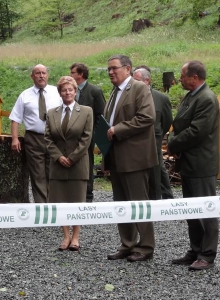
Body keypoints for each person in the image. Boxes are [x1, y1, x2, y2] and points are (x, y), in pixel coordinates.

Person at [104, 54, 157, 262]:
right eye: (108, 69)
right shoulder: (114, 92)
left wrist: (118, 129)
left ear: (127, 69)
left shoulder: (139, 88)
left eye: (114, 68)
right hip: (116, 156)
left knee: (138, 203)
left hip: (135, 157)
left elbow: (147, 117)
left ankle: (145, 246)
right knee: (121, 203)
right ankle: (127, 243)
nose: (110, 72)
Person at [167, 60, 219, 270]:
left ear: (194, 77)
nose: (180, 79)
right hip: (188, 163)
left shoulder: (206, 98)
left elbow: (197, 131)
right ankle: (195, 249)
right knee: (191, 209)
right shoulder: (191, 96)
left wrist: (172, 143)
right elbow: (181, 123)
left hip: (201, 164)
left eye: (183, 75)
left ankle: (207, 255)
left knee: (206, 210)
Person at [44, 76, 93, 251]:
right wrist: (58, 157)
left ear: (75, 91)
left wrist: (72, 157)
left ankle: (76, 237)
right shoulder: (51, 113)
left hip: (78, 164)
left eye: (70, 89)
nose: (67, 92)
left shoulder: (86, 111)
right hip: (57, 165)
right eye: (64, 90)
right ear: (60, 93)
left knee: (77, 201)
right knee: (61, 202)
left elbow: (86, 138)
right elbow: (48, 138)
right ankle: (65, 236)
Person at [9, 64, 62, 203]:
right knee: (37, 174)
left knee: (53, 171)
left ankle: (53, 203)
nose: (41, 76)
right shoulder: (25, 95)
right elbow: (15, 118)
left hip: (54, 137)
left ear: (47, 75)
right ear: (32, 76)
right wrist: (15, 139)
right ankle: (41, 206)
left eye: (43, 73)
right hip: (33, 138)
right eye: (37, 73)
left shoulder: (57, 92)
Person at [133, 67, 173, 200]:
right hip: (135, 144)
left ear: (147, 81)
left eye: (137, 81)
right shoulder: (131, 96)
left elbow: (167, 121)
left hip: (153, 143)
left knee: (156, 174)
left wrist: (158, 135)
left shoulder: (161, 98)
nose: (134, 84)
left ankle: (159, 201)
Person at [69, 63, 106, 202]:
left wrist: (92, 134)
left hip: (88, 137)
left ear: (80, 74)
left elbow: (100, 116)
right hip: (71, 136)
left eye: (72, 72)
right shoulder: (70, 90)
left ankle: (88, 195)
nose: (70, 75)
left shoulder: (94, 91)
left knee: (87, 164)